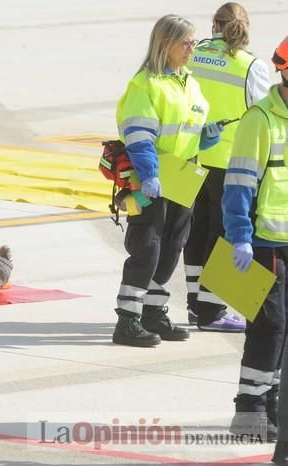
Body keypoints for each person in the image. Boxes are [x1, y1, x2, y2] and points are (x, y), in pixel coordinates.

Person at [112, 14, 223, 347]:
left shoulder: (188, 81)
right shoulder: (146, 85)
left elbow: (187, 131)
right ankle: (127, 319)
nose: (192, 48)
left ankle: (153, 312)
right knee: (147, 246)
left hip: (183, 174)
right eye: (186, 42)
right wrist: (148, 175)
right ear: (165, 44)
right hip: (155, 178)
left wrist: (206, 139)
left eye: (193, 41)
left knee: (173, 246)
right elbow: (139, 135)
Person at [183, 2, 270, 332]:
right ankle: (211, 309)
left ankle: (195, 303)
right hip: (230, 163)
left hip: (191, 155)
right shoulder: (251, 67)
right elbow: (262, 115)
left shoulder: (194, 52)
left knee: (193, 231)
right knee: (222, 235)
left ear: (215, 24)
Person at [222, 37, 288, 447]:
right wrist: (240, 237)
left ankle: (273, 408)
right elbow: (239, 185)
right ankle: (249, 411)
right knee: (269, 325)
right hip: (263, 243)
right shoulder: (261, 120)